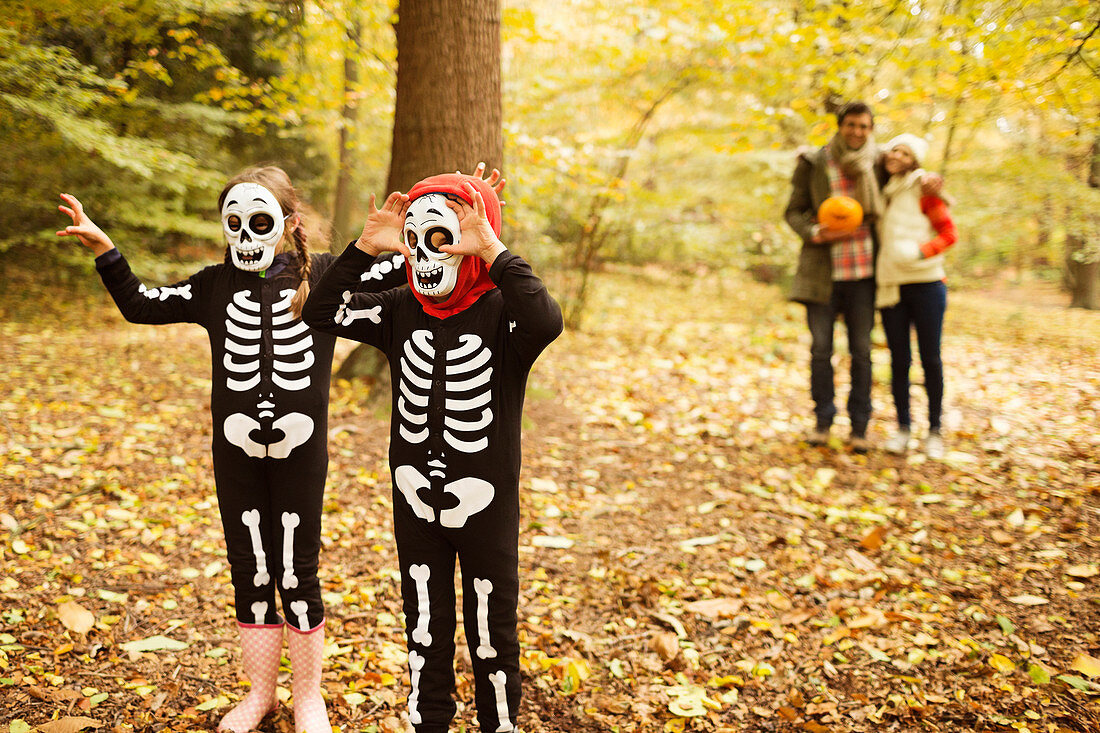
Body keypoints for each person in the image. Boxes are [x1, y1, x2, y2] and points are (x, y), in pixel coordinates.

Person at [56, 166, 407, 733]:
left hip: (300, 452)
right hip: (236, 452)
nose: (246, 236)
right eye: (234, 223)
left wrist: (425, 234)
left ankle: (308, 697)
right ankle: (260, 694)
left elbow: (410, 270)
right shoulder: (212, 285)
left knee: (297, 569)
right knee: (251, 567)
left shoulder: (325, 281)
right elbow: (142, 303)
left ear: (288, 223)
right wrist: (108, 251)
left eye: (261, 221)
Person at [302, 173, 563, 733]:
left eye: (442, 239)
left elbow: (546, 319)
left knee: (492, 627)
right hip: (415, 499)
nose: (427, 255)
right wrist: (366, 247)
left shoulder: (503, 314)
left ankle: (500, 725)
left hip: (485, 502)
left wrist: (492, 250)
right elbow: (321, 313)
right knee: (424, 623)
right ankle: (430, 724)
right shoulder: (399, 308)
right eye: (416, 241)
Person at [784, 101, 883, 452]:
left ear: (871, 130)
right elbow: (793, 211)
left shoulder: (880, 162)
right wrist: (814, 232)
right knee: (821, 350)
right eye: (851, 125)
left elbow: (911, 184)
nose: (857, 132)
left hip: (865, 273)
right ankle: (822, 422)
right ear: (840, 126)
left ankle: (860, 428)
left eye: (864, 126)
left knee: (862, 352)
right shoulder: (814, 162)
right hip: (822, 273)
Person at [875, 134, 957, 458]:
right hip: (892, 285)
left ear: (914, 161)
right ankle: (903, 428)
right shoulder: (883, 190)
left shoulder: (923, 189)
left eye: (904, 152)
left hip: (926, 284)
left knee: (930, 358)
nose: (896, 155)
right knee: (899, 361)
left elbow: (949, 233)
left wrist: (922, 253)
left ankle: (935, 430)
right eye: (893, 149)